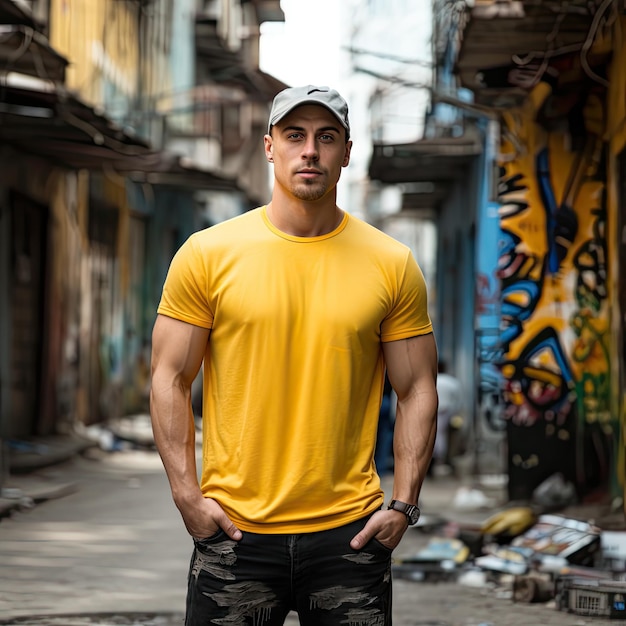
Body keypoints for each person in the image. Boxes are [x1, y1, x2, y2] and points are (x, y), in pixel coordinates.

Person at [150, 84, 438, 626]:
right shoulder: (208, 254)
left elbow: (418, 388)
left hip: (349, 537)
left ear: (346, 153)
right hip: (235, 533)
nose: (310, 150)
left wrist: (403, 504)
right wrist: (186, 495)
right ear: (270, 146)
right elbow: (169, 376)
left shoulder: (391, 263)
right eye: (295, 135)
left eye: (326, 138)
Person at [432, 360, 463, 474]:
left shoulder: (432, 380)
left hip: (433, 410)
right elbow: (459, 400)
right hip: (446, 411)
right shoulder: (451, 381)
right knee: (442, 435)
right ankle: (440, 458)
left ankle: (435, 458)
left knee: (435, 434)